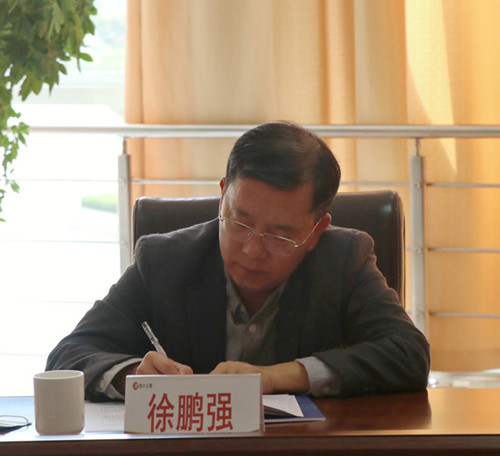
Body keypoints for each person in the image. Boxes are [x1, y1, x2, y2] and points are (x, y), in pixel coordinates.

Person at [46, 121, 430, 401]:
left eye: (280, 235)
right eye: (240, 223)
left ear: (316, 231)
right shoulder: (164, 260)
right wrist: (134, 375)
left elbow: (408, 354)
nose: (252, 250)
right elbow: (68, 355)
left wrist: (277, 377)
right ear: (223, 195)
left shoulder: (344, 259)